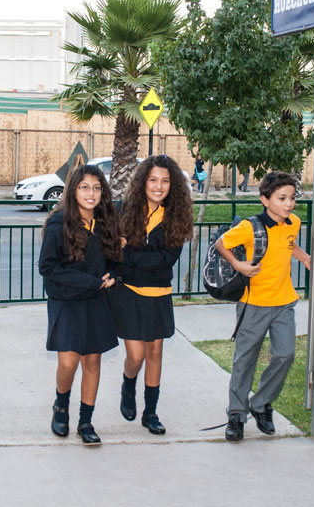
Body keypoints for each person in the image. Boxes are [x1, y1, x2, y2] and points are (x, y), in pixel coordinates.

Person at [214, 171, 311, 442]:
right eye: (282, 198)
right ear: (265, 199)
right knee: (245, 360)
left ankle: (261, 404)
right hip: (253, 305)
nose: (289, 203)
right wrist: (238, 264)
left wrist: (305, 258)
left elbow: (289, 245)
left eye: (292, 198)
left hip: (283, 302)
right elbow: (222, 243)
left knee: (285, 354)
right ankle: (236, 415)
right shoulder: (250, 227)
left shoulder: (293, 222)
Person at [39, 164, 122, 446]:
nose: (91, 193)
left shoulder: (106, 221)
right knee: (67, 361)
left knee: (93, 360)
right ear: (73, 190)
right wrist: (91, 281)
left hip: (97, 300)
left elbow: (112, 258)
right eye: (84, 187)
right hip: (66, 300)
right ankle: (61, 405)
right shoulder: (58, 223)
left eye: (97, 188)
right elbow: (48, 267)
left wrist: (112, 274)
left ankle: (85, 421)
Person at [113, 155, 194, 435]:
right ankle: (128, 382)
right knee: (136, 356)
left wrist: (129, 253)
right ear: (142, 182)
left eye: (165, 181)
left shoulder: (177, 216)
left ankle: (150, 413)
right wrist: (132, 256)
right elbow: (113, 252)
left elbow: (166, 260)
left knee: (155, 352)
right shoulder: (122, 210)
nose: (159, 187)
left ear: (173, 186)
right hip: (129, 292)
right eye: (153, 180)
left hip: (159, 292)